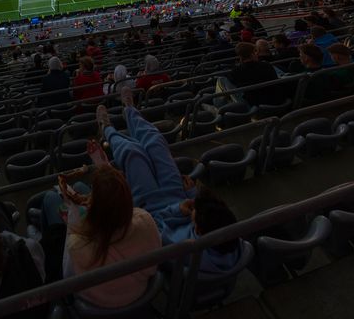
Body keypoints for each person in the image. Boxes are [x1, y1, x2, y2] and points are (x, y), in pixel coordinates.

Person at [95, 101, 240, 275]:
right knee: (156, 141)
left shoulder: (181, 246)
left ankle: (106, 129)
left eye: (196, 210)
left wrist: (178, 209)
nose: (195, 205)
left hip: (152, 208)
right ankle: (130, 109)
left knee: (132, 152)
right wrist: (191, 193)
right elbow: (207, 215)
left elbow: (152, 226)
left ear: (198, 230)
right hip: (177, 194)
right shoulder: (229, 240)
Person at [43, 164, 161, 309]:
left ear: (94, 209)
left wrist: (73, 219)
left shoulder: (77, 244)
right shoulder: (146, 220)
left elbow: (67, 279)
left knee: (50, 198)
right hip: (138, 293)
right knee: (80, 185)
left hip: (96, 305)